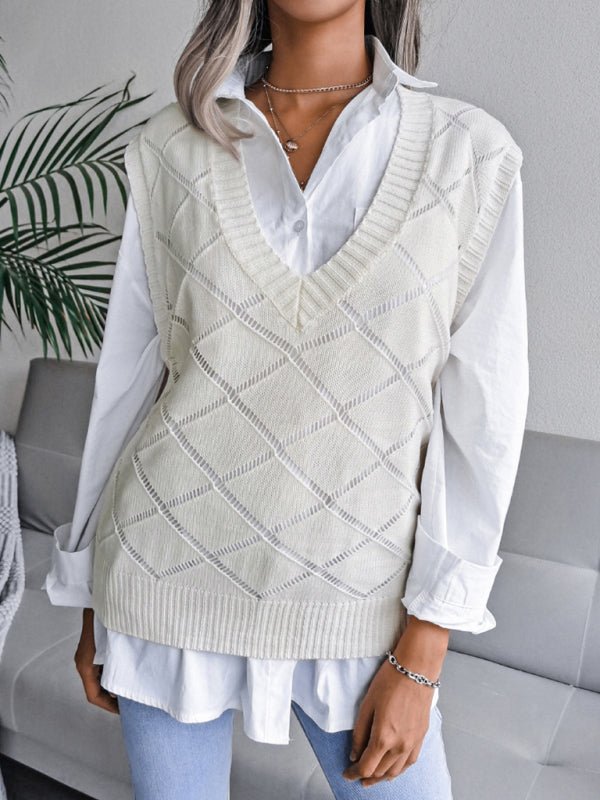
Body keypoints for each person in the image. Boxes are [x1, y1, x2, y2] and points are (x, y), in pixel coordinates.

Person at [44, 1, 528, 798]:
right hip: (163, 580)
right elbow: (125, 384)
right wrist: (91, 591)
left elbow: (483, 417)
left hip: (360, 605)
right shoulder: (168, 150)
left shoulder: (469, 155)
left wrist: (425, 646)